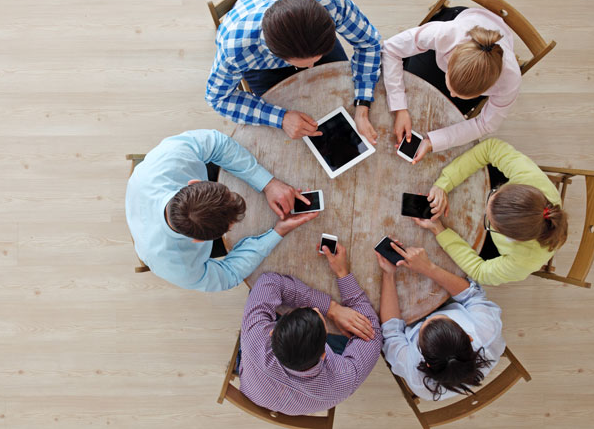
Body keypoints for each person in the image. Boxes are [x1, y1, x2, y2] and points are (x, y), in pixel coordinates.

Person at [125, 129, 317, 292]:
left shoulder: (172, 156)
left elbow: (218, 143)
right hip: (158, 240)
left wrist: (267, 182)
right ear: (200, 241)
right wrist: (278, 232)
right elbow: (228, 275)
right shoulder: (176, 266)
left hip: (146, 186)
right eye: (231, 226)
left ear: (196, 182)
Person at [206, 0, 382, 142]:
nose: (312, 67)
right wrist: (281, 118)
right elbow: (218, 98)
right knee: (290, 132)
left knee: (344, 97)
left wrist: (362, 103)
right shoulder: (235, 49)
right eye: (304, 64)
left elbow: (370, 43)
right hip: (260, 63)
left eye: (316, 59)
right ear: (275, 53)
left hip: (310, 35)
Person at [238, 243, 382, 415]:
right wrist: (341, 280)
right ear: (324, 354)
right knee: (350, 334)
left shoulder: (254, 338)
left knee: (257, 297)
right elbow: (373, 331)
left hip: (257, 389)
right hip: (288, 394)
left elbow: (269, 281)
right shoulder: (343, 380)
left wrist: (330, 308)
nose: (315, 309)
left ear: (272, 333)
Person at [413, 138, 568, 286]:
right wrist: (443, 184)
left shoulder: (523, 261)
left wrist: (439, 230)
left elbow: (480, 272)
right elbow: (491, 147)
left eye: (489, 220)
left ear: (509, 236)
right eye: (494, 193)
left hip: (496, 247)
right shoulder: (531, 180)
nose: (482, 209)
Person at [381, 6, 521, 162]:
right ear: (449, 62)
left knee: (443, 118)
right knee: (410, 79)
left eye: (460, 95)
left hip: (491, 47)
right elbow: (390, 48)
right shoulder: (446, 34)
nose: (452, 94)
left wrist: (432, 142)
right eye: (452, 88)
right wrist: (399, 107)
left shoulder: (510, 81)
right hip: (462, 21)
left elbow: (485, 125)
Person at [376, 239, 505, 401]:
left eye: (425, 327)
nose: (429, 318)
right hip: (449, 299)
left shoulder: (416, 377)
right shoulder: (487, 333)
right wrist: (428, 268)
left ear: (426, 362)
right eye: (443, 320)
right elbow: (471, 295)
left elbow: (391, 333)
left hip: (407, 320)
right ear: (469, 338)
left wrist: (388, 273)